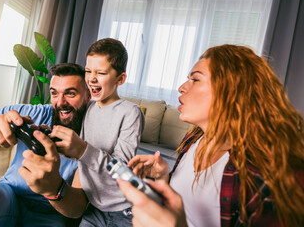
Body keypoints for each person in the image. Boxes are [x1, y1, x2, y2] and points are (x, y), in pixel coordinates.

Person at [118, 44, 304, 227]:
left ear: (233, 92)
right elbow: (179, 207)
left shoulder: (264, 176)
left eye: (196, 80)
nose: (182, 87)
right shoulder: (194, 138)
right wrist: (163, 177)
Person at [0, 63, 90, 226]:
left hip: (50, 214)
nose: (60, 102)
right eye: (54, 93)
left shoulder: (97, 136)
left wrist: (54, 189)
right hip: (8, 195)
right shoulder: (35, 113)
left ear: (88, 96)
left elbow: (77, 209)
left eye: (70, 93)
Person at [24, 38, 145, 226]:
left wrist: (82, 150)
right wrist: (52, 139)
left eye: (101, 72)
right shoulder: (88, 109)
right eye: (88, 71)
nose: (91, 78)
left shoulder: (131, 112)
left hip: (124, 209)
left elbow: (122, 170)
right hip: (93, 206)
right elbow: (81, 156)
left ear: (120, 79)